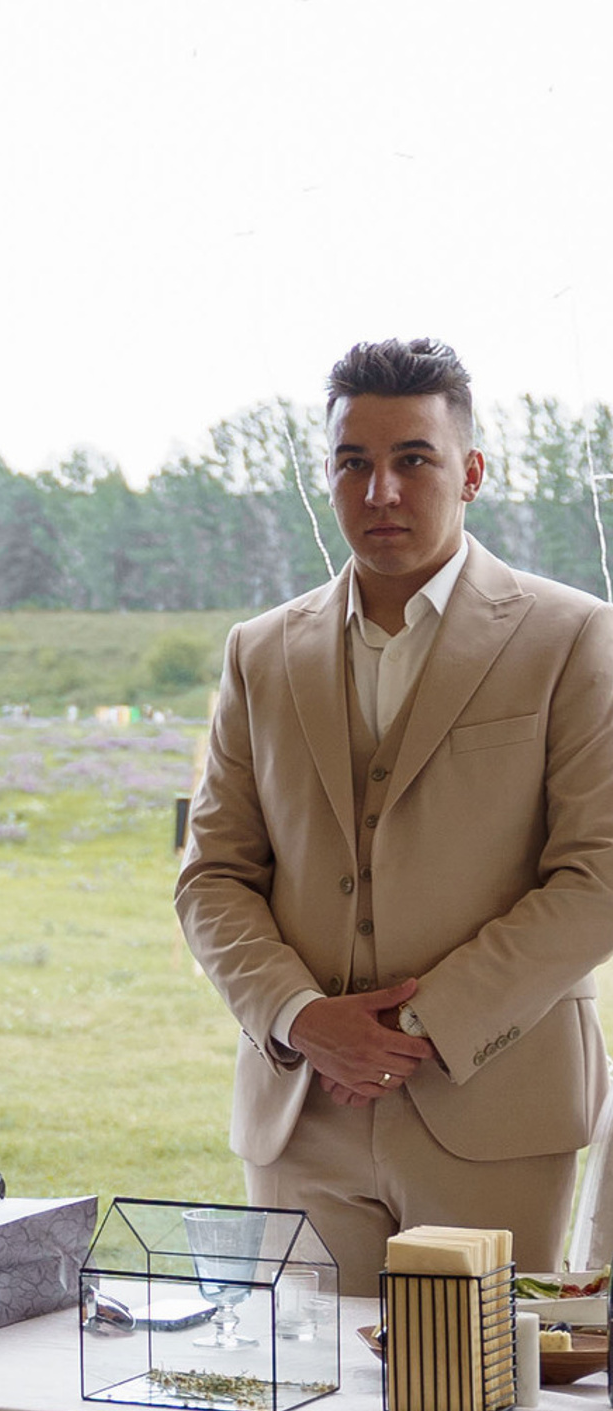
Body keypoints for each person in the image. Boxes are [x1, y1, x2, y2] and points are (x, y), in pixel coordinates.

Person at [178, 334, 613, 1292]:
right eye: (352, 462)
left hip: (494, 1112)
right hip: (300, 1125)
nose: (380, 492)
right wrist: (299, 1016)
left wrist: (415, 1027)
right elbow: (212, 878)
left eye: (412, 459)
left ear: (471, 473)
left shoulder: (572, 637)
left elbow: (598, 879)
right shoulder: (261, 653)